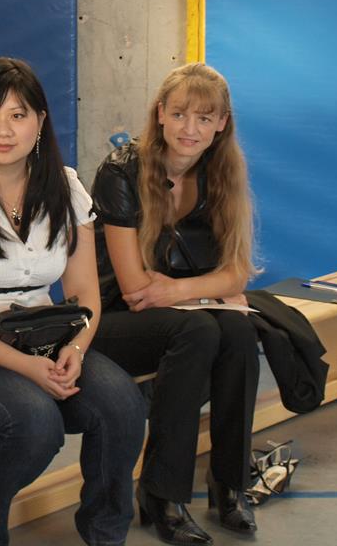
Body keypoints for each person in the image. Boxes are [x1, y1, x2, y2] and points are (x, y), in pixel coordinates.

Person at [0, 57, 146, 546]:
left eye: (17, 115)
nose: (3, 130)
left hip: (41, 339)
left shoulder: (67, 186)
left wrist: (74, 350)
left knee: (123, 405)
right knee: (34, 423)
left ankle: (105, 534)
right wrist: (28, 368)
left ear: (40, 122)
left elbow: (84, 294)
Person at [89, 63, 260, 544]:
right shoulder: (121, 171)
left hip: (180, 310)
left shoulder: (221, 170)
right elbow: (134, 288)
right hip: (111, 319)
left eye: (205, 118)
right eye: (180, 114)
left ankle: (229, 484)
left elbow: (238, 272)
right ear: (160, 113)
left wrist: (185, 290)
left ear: (221, 123)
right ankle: (162, 493)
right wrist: (209, 289)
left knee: (240, 330)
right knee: (202, 329)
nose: (191, 129)